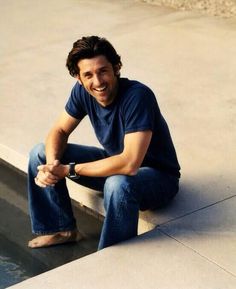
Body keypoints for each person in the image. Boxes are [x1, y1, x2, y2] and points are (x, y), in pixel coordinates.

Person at [27, 36, 180, 250]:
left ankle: (113, 255)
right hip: (114, 165)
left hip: (157, 177)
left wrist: (68, 169)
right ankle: (62, 229)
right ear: (78, 78)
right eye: (88, 75)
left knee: (117, 183)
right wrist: (53, 166)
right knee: (40, 153)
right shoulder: (82, 92)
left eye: (103, 71)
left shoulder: (138, 97)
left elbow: (129, 164)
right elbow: (59, 130)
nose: (98, 82)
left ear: (116, 67)